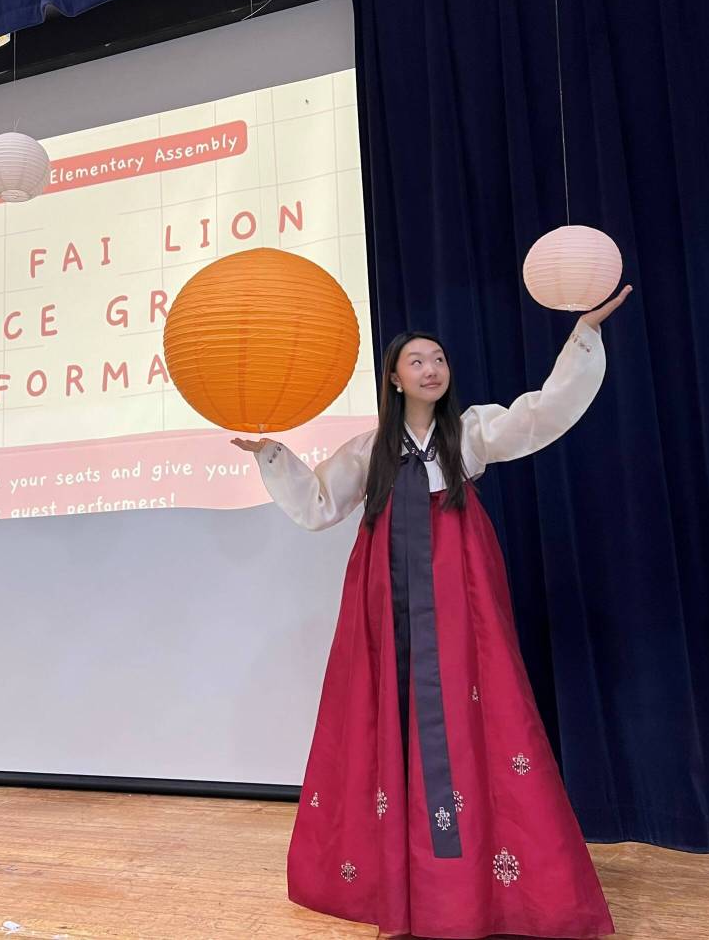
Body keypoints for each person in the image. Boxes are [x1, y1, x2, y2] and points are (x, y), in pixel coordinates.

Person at [232, 286, 630, 939]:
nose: (431, 368)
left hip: (458, 600)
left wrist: (583, 337)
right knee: (393, 718)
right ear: (393, 376)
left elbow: (542, 412)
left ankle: (469, 885)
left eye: (438, 358)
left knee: (471, 718)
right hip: (386, 600)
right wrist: (271, 454)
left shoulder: (468, 434)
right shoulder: (372, 449)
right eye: (417, 360)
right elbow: (318, 504)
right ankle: (400, 882)